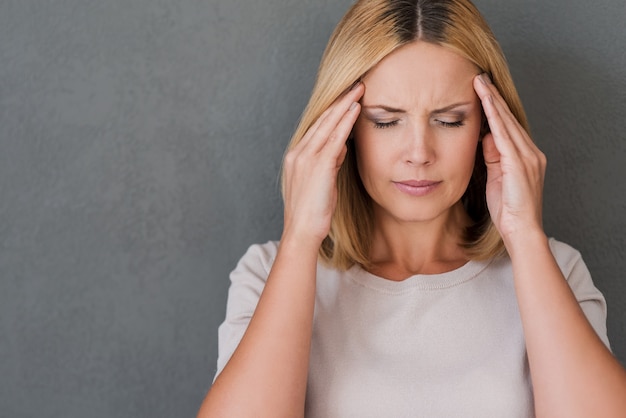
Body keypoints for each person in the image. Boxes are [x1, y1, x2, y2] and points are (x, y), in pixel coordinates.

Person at [197, 0, 626, 416]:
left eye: (449, 119)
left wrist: (525, 235)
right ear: (342, 130)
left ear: (489, 126)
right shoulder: (268, 272)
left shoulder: (557, 270)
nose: (419, 153)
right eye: (385, 120)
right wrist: (300, 238)